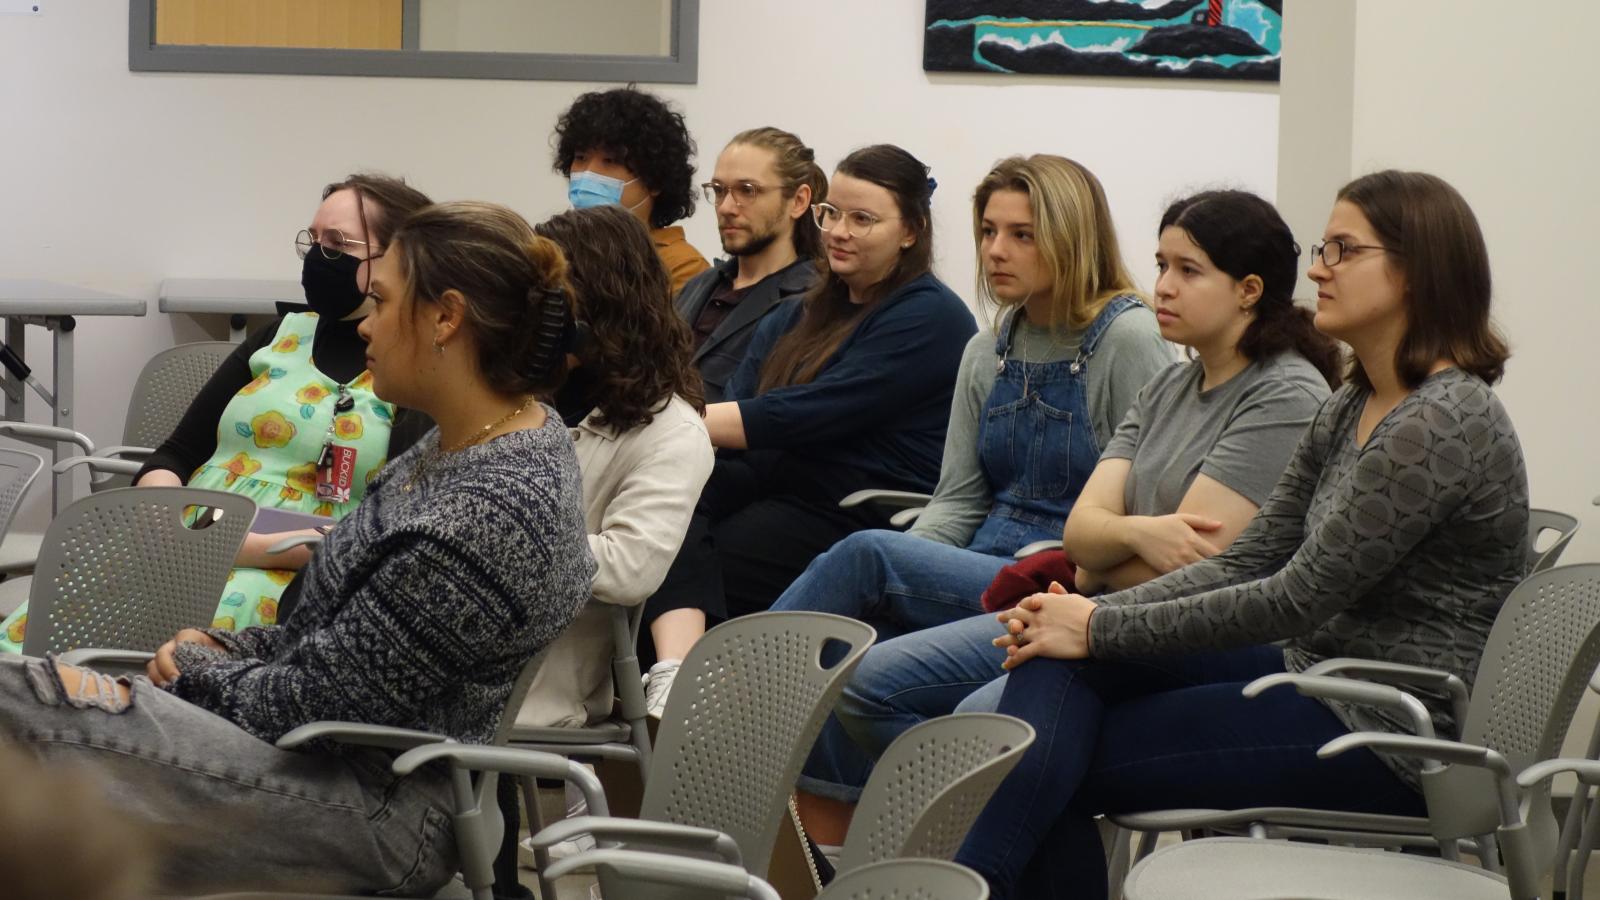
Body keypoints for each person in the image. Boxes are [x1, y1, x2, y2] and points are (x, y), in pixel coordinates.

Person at [957, 171, 1528, 899]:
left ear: (1415, 272)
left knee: (1054, 751)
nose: (1317, 268)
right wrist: (1084, 621)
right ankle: (974, 885)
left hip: (1386, 730)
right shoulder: (1356, 397)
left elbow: (1294, 597)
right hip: (1315, 674)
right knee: (1052, 661)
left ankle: (970, 884)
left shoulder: (1438, 423)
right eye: (1324, 247)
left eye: (1343, 250)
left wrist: (1100, 626)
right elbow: (1255, 555)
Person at [0, 200, 595, 897]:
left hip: (374, 810)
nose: (364, 321)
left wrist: (195, 662)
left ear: (446, 318)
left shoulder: (490, 508)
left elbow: (312, 704)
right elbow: (322, 638)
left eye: (380, 299)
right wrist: (229, 648)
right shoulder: (475, 441)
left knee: (23, 705)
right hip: (326, 763)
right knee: (32, 706)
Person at [792, 186, 1342, 854]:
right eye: (1162, 264)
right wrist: (1129, 537)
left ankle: (936, 848)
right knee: (871, 685)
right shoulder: (1171, 384)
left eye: (1187, 271)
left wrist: (1104, 551)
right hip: (1083, 600)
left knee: (980, 722)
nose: (1161, 286)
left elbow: (1196, 564)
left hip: (1170, 631)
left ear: (1249, 290)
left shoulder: (1282, 391)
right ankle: (924, 838)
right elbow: (1083, 531)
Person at [0, 174, 433, 651]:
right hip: (177, 542)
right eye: (312, 240)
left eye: (337, 244)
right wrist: (162, 521)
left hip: (291, 569)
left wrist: (229, 547)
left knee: (176, 655)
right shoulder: (280, 335)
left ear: (397, 258)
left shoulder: (411, 374)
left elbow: (390, 531)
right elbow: (174, 455)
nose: (317, 257)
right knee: (39, 640)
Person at [640, 144, 978, 715]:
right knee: (662, 510)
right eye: (832, 214)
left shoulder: (933, 316)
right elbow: (742, 398)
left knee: (695, 558)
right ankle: (674, 682)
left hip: (852, 506)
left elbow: (811, 412)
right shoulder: (803, 309)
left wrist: (678, 424)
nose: (840, 232)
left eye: (863, 219)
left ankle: (697, 704)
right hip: (780, 483)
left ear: (910, 232)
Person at [518, 204, 714, 730]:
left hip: (529, 691)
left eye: (548, 294)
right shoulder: (515, 395)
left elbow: (628, 567)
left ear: (598, 303)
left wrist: (494, 542)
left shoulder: (671, 430)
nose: (531, 310)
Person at [677, 127, 828, 402]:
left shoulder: (814, 302)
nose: (726, 207)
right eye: (719, 190)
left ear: (798, 201)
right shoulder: (697, 286)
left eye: (747, 191)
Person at [552, 85, 709, 294]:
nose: (588, 173)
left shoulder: (682, 265)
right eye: (580, 158)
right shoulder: (555, 252)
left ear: (654, 181)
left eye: (610, 161)